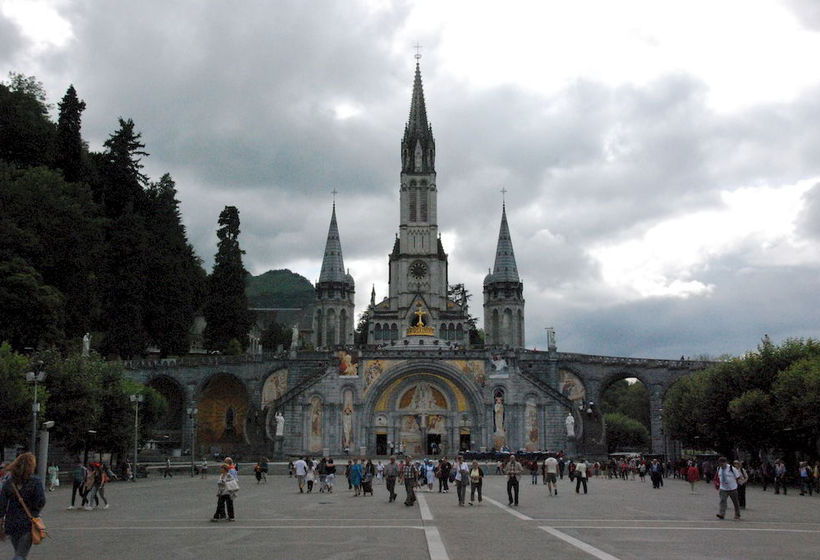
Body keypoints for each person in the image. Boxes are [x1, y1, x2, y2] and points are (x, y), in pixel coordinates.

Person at [0, 452, 46, 559]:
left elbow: (1, 505)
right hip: (28, 523)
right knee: (20, 554)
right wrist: (35, 513)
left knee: (19, 551)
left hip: (11, 523)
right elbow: (41, 501)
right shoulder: (35, 482)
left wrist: (1, 520)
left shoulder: (9, 482)